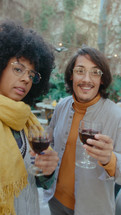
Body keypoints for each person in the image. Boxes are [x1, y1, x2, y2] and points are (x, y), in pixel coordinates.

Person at [43, 46, 121, 215]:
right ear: (71, 75)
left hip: (93, 209)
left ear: (102, 79)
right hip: (55, 202)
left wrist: (110, 159)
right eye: (80, 71)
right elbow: (51, 144)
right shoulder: (61, 106)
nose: (87, 79)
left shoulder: (117, 116)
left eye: (95, 72)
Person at [0, 20, 59, 215]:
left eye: (31, 74)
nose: (26, 78)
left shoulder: (27, 120)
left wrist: (48, 170)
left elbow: (41, 179)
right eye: (18, 69)